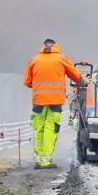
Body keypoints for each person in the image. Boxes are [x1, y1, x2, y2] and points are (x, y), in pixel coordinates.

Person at [23, 39, 82, 168]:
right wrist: (85, 81)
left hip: (38, 101)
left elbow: (27, 82)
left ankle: (39, 160)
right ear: (56, 46)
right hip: (55, 101)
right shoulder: (62, 59)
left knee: (39, 128)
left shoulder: (34, 60)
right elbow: (76, 76)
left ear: (43, 46)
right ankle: (46, 160)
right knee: (51, 128)